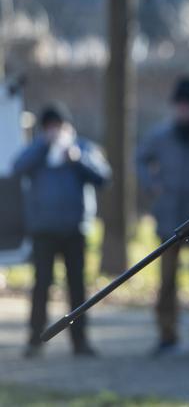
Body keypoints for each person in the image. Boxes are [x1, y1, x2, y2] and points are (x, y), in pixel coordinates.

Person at [13, 102, 111, 358]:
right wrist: (43, 146)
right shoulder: (38, 150)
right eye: (50, 127)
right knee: (41, 285)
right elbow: (17, 166)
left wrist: (78, 159)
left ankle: (80, 341)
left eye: (59, 126)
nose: (55, 132)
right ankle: (35, 340)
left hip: (74, 229)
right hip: (43, 230)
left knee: (77, 287)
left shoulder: (83, 148)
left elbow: (103, 177)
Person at [136, 77, 189, 355]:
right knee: (167, 281)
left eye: (188, 107)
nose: (184, 111)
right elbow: (141, 159)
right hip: (169, 220)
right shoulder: (159, 136)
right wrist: (151, 184)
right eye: (180, 106)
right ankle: (166, 334)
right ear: (174, 108)